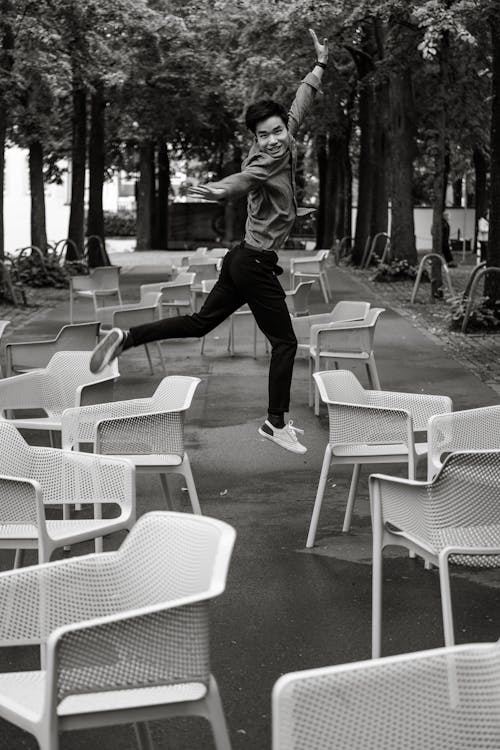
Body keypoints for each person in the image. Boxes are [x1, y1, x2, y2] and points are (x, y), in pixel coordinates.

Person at [90, 28, 329, 455]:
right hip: (254, 263)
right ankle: (276, 423)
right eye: (264, 136)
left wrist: (319, 66)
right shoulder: (263, 164)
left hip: (241, 259)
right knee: (286, 343)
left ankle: (126, 338)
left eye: (277, 132)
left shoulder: (285, 141)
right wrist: (222, 188)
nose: (273, 139)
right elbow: (247, 179)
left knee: (200, 323)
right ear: (254, 141)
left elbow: (299, 105)